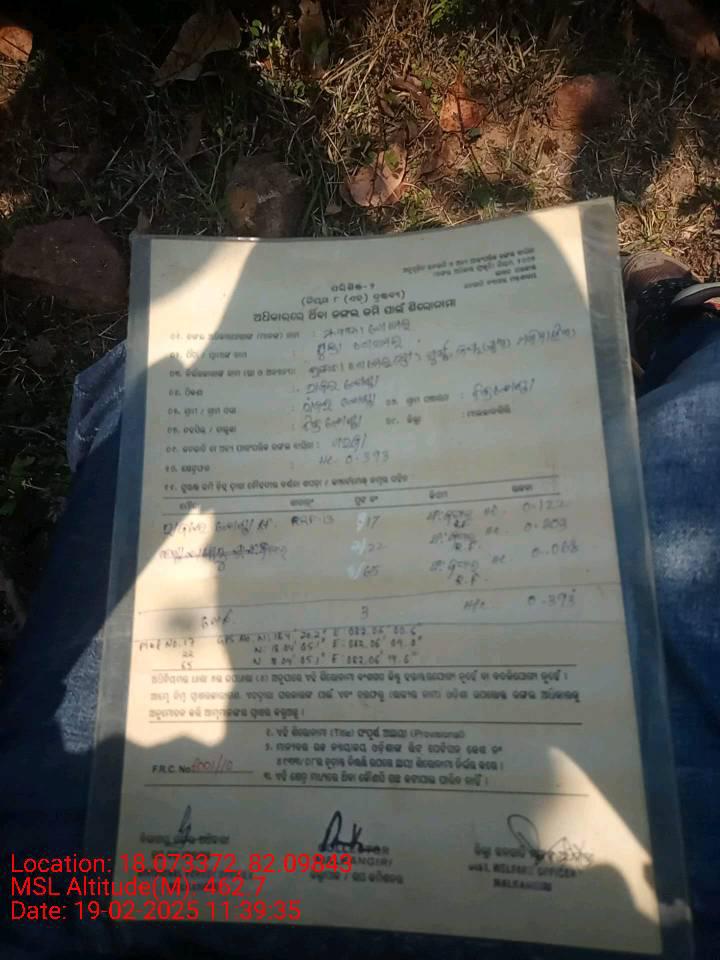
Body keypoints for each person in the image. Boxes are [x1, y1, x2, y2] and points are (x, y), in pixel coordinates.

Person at [1, 251, 718, 958]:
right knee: (695, 430)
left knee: (151, 381)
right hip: (671, 866)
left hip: (76, 895)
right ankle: (691, 335)